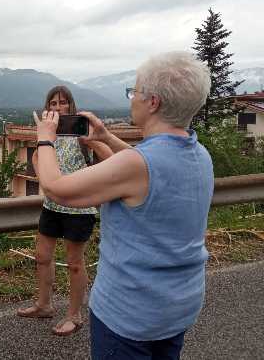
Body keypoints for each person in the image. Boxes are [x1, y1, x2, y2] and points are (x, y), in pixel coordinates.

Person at [32, 51, 213, 359]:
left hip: (131, 313)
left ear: (152, 102)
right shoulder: (198, 154)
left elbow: (55, 188)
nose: (132, 98)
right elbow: (146, 166)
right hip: (179, 305)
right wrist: (106, 136)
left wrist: (45, 138)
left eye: (135, 91)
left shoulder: (137, 164)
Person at [17, 86, 111, 336]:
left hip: (80, 208)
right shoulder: (47, 133)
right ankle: (44, 304)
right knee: (42, 256)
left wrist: (90, 139)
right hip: (52, 205)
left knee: (74, 263)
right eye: (53, 104)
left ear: (71, 106)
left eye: (62, 103)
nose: (58, 108)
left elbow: (108, 156)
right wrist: (45, 185)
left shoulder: (81, 132)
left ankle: (74, 315)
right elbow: (37, 158)